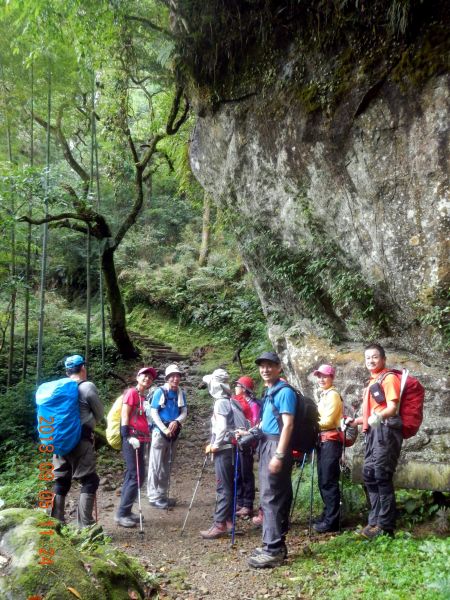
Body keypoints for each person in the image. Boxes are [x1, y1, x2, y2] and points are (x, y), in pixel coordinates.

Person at [346, 343, 402, 539]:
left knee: (381, 475)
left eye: (375, 357)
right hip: (373, 433)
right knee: (369, 475)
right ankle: (374, 521)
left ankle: (386, 527)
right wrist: (355, 422)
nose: (371, 360)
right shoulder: (372, 382)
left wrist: (377, 418)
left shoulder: (389, 378)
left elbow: (392, 408)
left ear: (383, 359)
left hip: (386, 432)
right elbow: (372, 413)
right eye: (368, 357)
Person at [246, 351, 296, 569]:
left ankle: (273, 550)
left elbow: (288, 425)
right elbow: (269, 421)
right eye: (262, 366)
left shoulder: (284, 392)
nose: (265, 369)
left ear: (279, 368)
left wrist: (279, 455)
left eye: (269, 366)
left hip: (276, 446)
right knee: (273, 495)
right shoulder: (269, 391)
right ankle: (273, 543)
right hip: (268, 442)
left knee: (271, 497)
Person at [52, 355, 104, 528]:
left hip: (59, 441)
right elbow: (100, 414)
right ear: (83, 368)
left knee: (61, 480)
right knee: (90, 480)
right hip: (81, 441)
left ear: (67, 371)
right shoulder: (87, 386)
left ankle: (56, 523)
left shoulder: (59, 388)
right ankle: (86, 527)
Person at [200, 368, 243, 539]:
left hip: (224, 449)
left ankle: (219, 524)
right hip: (232, 448)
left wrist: (214, 445)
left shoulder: (220, 403)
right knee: (229, 485)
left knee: (223, 487)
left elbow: (222, 427)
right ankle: (229, 522)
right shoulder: (232, 401)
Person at [116, 366, 157, 528]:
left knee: (133, 476)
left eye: (150, 377)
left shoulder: (143, 396)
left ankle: (125, 510)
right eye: (144, 376)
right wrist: (127, 435)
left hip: (141, 439)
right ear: (138, 377)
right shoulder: (132, 393)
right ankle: (122, 514)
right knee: (136, 476)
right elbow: (125, 414)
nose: (147, 378)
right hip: (132, 438)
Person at [147, 363, 188, 509]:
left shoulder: (180, 393)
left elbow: (184, 412)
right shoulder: (160, 392)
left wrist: (177, 421)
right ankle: (153, 497)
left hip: (174, 433)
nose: (175, 379)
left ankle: (162, 495)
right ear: (167, 378)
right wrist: (164, 429)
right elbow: (153, 412)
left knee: (167, 465)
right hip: (160, 433)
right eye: (172, 376)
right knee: (155, 465)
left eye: (177, 376)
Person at [312, 364, 343, 533]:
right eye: (319, 376)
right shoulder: (324, 395)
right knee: (323, 480)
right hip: (323, 442)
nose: (321, 379)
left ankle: (332, 520)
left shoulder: (333, 395)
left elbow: (329, 421)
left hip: (330, 441)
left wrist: (310, 424)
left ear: (332, 378)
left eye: (325, 376)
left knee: (328, 481)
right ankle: (328, 514)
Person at [233, 376, 260, 519]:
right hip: (238, 440)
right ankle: (239, 500)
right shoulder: (237, 402)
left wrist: (246, 433)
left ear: (244, 389)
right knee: (238, 471)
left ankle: (247, 504)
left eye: (238, 386)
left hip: (247, 442)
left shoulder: (254, 405)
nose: (235, 388)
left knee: (246, 472)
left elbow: (255, 423)